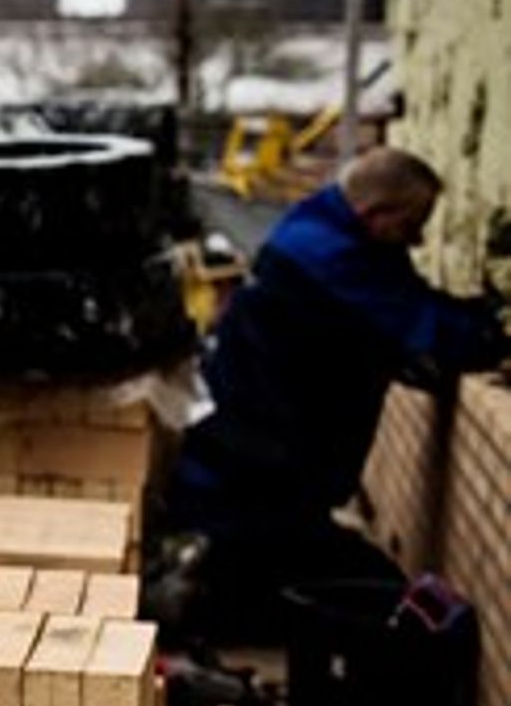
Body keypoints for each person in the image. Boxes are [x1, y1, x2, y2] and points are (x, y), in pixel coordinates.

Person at [155, 149, 507, 650]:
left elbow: (394, 309)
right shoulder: (332, 258)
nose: (420, 239)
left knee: (348, 586)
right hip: (247, 489)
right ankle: (198, 598)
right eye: (412, 225)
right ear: (375, 214)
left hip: (253, 474)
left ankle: (212, 590)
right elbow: (429, 326)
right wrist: (494, 327)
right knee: (386, 603)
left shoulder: (324, 228)